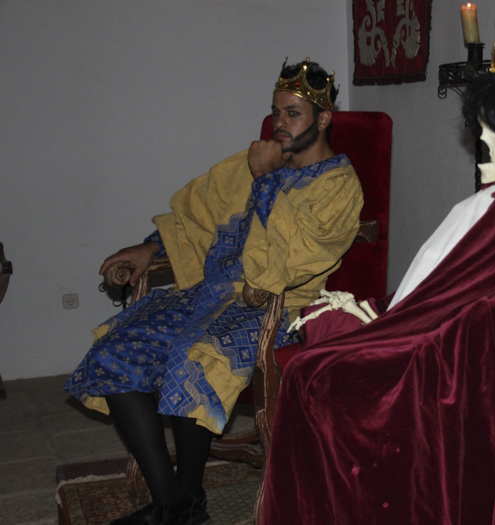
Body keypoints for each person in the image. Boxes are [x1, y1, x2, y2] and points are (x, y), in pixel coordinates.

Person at [258, 16, 495, 524]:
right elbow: (450, 286)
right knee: (316, 343)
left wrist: (379, 328)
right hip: (418, 326)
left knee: (314, 377)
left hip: (433, 353)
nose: (486, 142)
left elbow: (464, 301)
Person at [64, 58, 363, 525]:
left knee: (195, 357)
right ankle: (175, 504)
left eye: (293, 115)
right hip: (209, 294)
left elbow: (286, 264)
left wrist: (266, 180)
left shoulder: (340, 188)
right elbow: (198, 217)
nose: (279, 125)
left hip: (274, 307)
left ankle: (179, 501)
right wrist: (148, 249)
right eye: (276, 112)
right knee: (114, 352)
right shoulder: (252, 165)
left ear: (323, 119)